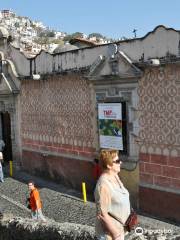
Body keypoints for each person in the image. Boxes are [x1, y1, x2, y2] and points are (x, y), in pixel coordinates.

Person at [94, 149, 130, 240]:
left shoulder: (115, 176)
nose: (120, 162)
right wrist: (116, 234)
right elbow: (102, 214)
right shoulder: (103, 185)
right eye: (117, 161)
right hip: (110, 235)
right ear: (109, 165)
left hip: (120, 230)